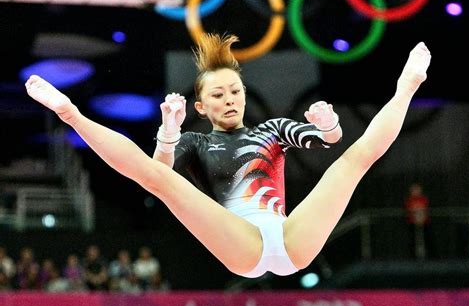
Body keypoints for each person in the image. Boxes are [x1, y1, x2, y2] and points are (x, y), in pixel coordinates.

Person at [24, 34, 431, 278]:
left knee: (354, 161)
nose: (230, 99)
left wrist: (327, 124)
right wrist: (169, 132)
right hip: (242, 246)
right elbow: (157, 174)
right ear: (201, 107)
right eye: (218, 95)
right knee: (161, 182)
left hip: (290, 238)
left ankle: (406, 87)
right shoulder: (194, 143)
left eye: (235, 91)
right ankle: (70, 113)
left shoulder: (272, 130)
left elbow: (333, 141)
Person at [404, 182, 430, 259]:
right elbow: (408, 211)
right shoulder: (409, 201)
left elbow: (426, 210)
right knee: (412, 241)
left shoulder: (424, 199)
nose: (415, 191)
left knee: (426, 240)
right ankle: (412, 257)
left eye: (417, 190)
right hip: (412, 223)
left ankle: (429, 257)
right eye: (414, 190)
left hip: (424, 223)